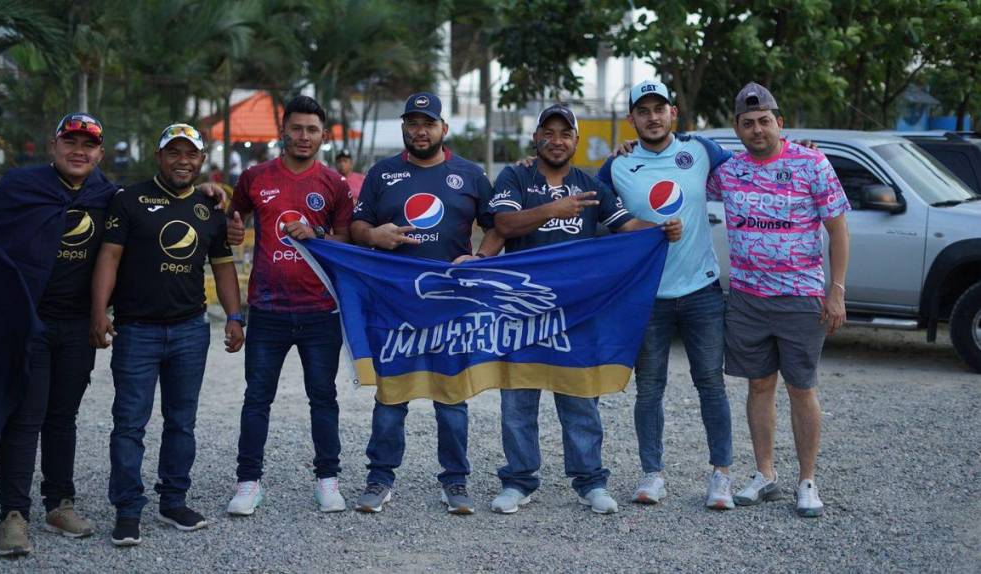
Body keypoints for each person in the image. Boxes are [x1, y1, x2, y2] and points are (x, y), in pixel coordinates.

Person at [487, 104, 681, 515]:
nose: (557, 141)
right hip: (522, 311)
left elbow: (627, 227)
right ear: (536, 137)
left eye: (565, 134)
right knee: (517, 402)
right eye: (549, 132)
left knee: (580, 400)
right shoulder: (515, 176)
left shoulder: (590, 186)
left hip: (577, 314)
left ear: (575, 141)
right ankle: (519, 481)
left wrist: (662, 229)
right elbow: (503, 225)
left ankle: (590, 481)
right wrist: (551, 211)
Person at [90, 123, 245, 547]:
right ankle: (127, 509)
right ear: (159, 156)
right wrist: (99, 310)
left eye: (191, 154)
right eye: (174, 152)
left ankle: (173, 500)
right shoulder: (129, 199)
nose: (182, 160)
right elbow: (110, 255)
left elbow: (224, 265)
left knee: (182, 422)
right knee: (129, 423)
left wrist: (235, 316)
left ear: (201, 160)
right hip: (136, 330)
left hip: (190, 331)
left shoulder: (209, 208)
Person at [349, 92, 503, 515]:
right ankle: (379, 478)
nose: (420, 130)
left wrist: (481, 258)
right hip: (393, 305)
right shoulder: (381, 174)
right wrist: (372, 235)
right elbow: (357, 225)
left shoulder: (470, 175)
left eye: (428, 123)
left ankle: (455, 481)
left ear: (443, 129)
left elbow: (497, 226)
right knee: (391, 399)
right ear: (404, 128)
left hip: (449, 306)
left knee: (452, 400)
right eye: (413, 122)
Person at [706, 83, 849, 518]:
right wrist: (628, 149)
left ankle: (806, 480)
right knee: (759, 385)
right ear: (737, 129)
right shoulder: (728, 172)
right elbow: (678, 174)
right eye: (747, 123)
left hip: (801, 297)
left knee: (801, 389)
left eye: (764, 121)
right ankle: (765, 474)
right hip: (748, 298)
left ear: (779, 123)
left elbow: (838, 230)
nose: (757, 129)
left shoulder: (812, 163)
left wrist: (836, 290)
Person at [0, 113, 113, 556]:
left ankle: (60, 504)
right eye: (70, 141)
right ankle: (13, 516)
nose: (79, 150)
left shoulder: (106, 194)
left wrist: (209, 193)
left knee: (63, 417)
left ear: (99, 154)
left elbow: (148, 222)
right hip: (28, 321)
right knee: (24, 419)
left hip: (77, 325)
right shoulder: (19, 188)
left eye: (88, 145)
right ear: (54, 146)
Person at [597, 80, 737, 510]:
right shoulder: (616, 166)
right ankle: (651, 474)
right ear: (632, 119)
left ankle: (721, 476)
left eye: (660, 109)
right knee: (649, 389)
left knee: (711, 383)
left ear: (673, 113)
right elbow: (585, 203)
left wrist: (795, 150)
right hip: (647, 297)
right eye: (643, 111)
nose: (652, 117)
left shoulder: (700, 151)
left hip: (702, 290)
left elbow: (754, 169)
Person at [223, 96, 353, 516]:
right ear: (284, 130)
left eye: (312, 130)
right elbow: (233, 214)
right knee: (257, 397)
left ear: (323, 135)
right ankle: (247, 483)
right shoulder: (255, 177)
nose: (303, 136)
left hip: (320, 312)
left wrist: (316, 234)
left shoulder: (334, 183)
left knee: (323, 397)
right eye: (297, 128)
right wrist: (234, 224)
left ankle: (327, 481)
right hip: (268, 310)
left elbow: (346, 242)